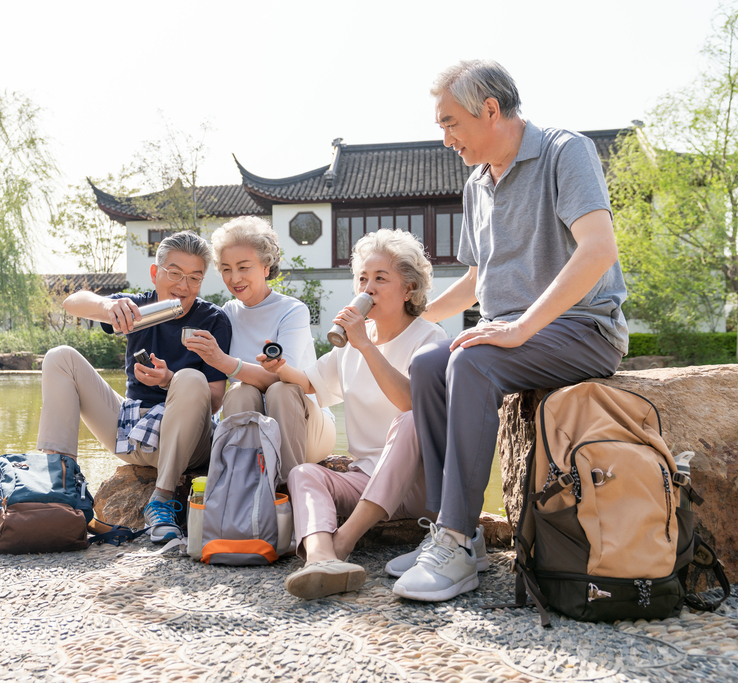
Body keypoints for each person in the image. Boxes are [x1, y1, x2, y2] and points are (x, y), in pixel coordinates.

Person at [390, 60, 629, 602]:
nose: (445, 137)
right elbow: (478, 280)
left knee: (471, 360)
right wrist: (414, 316)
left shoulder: (566, 151)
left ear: (490, 110)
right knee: (430, 364)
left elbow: (598, 251)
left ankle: (453, 543)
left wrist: (519, 328)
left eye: (450, 122)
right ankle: (457, 533)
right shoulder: (477, 182)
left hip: (584, 328)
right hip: (518, 332)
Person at [258, 229, 447, 600]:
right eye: (362, 278)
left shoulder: (430, 338)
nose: (368, 287)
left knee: (408, 420)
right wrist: (279, 367)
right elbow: (311, 383)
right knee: (304, 473)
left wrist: (364, 345)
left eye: (380, 278)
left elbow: (412, 403)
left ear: (409, 288)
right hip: (366, 477)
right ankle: (320, 558)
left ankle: (342, 543)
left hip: (419, 482)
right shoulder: (352, 342)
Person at [35, 231, 232, 543]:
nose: (184, 286)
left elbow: (217, 399)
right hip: (132, 429)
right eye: (175, 273)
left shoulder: (213, 319)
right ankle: (55, 486)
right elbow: (72, 302)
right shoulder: (136, 308)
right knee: (60, 358)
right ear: (155, 273)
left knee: (191, 379)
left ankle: (162, 499)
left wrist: (170, 380)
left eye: (195, 277)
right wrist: (106, 308)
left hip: (187, 441)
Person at [183, 215, 335, 479]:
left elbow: (281, 378)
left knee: (281, 389)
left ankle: (288, 492)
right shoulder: (225, 314)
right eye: (227, 269)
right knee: (240, 392)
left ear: (266, 267)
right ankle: (242, 487)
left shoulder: (293, 310)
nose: (235, 277)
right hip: (254, 426)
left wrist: (223, 361)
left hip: (305, 427)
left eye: (244, 267)